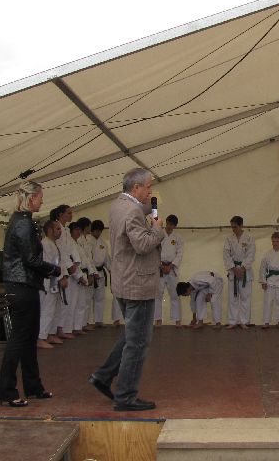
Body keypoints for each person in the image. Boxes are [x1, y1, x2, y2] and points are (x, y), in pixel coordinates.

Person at [89, 168, 164, 412]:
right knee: (138, 342)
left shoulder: (118, 206)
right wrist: (158, 228)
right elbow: (142, 244)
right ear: (136, 188)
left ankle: (103, 375)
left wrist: (149, 210)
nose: (151, 191)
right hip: (138, 283)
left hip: (124, 280)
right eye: (148, 187)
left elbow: (136, 214)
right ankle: (126, 395)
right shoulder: (132, 211)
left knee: (132, 334)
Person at [0, 181, 61, 407]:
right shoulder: (23, 223)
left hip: (24, 284)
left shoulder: (22, 220)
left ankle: (33, 386)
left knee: (28, 338)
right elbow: (31, 259)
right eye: (40, 197)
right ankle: (7, 391)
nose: (42, 201)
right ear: (32, 198)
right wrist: (53, 269)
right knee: (19, 338)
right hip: (21, 285)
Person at [51, 204, 82, 340]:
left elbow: (70, 250)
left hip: (67, 267)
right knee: (60, 302)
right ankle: (57, 330)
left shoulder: (66, 230)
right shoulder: (57, 228)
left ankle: (61, 328)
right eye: (68, 213)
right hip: (59, 267)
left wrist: (75, 263)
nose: (71, 215)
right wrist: (70, 265)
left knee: (67, 302)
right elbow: (61, 251)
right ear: (60, 214)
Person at [37, 220, 66, 349]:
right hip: (47, 281)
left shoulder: (53, 244)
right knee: (47, 309)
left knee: (54, 309)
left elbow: (59, 264)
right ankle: (40, 337)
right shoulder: (45, 244)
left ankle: (49, 334)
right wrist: (60, 278)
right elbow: (49, 264)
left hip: (54, 281)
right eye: (57, 229)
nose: (60, 231)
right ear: (50, 230)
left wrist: (63, 277)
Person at [223, 215, 255, 330]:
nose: (233, 229)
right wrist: (234, 268)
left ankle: (244, 321)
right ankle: (232, 321)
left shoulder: (249, 238)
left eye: (235, 227)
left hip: (245, 271)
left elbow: (251, 255)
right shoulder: (229, 239)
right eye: (232, 227)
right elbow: (226, 255)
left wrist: (242, 268)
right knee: (233, 298)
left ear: (241, 225)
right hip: (233, 271)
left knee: (245, 297)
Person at [156, 214, 184, 327]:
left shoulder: (178, 238)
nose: (169, 226)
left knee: (175, 294)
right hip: (160, 268)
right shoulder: (159, 235)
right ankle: (158, 319)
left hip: (172, 269)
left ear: (175, 226)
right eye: (168, 224)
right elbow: (154, 251)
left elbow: (180, 254)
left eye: (171, 225)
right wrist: (160, 265)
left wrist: (171, 266)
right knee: (158, 294)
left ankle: (177, 320)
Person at [260, 232, 279, 329]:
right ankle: (266, 322)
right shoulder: (267, 254)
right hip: (269, 281)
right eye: (273, 241)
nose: (275, 243)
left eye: (277, 241)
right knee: (267, 302)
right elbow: (263, 268)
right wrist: (263, 281)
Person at [89, 219, 117, 328]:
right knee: (88, 298)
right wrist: (92, 272)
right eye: (97, 231)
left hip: (100, 273)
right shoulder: (87, 241)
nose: (98, 233)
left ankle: (98, 320)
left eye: (100, 231)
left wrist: (111, 270)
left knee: (100, 298)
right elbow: (88, 259)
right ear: (92, 230)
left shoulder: (102, 243)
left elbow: (106, 259)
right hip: (90, 273)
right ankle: (86, 322)